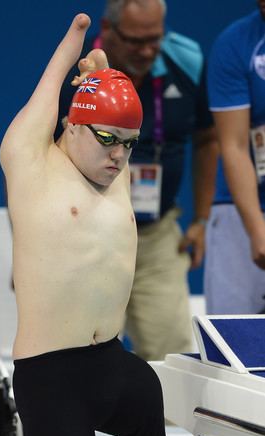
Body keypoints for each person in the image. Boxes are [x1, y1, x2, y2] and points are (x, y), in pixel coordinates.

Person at [0, 14, 227, 436]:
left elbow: (112, 106)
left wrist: (104, 74)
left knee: (143, 392)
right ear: (72, 125)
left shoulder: (112, 169)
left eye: (129, 145)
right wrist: (76, 44)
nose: (119, 157)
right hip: (52, 377)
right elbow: (47, 100)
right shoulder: (32, 168)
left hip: (109, 359)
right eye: (108, 141)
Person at [56, 0, 218, 361]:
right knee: (78, 358)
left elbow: (208, 137)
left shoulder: (187, 60)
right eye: (134, 41)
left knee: (173, 358)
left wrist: (201, 219)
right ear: (108, 30)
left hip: (157, 237)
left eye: (155, 39)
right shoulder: (75, 75)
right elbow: (34, 156)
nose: (146, 50)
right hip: (86, 236)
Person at [205, 2, 265, 314]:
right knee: (232, 346)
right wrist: (257, 230)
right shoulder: (236, 43)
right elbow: (234, 145)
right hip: (239, 211)